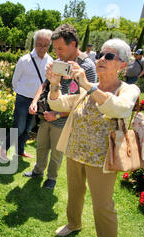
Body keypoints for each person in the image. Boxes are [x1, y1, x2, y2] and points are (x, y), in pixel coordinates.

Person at [47, 38, 140, 237]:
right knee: (75, 193)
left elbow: (117, 108)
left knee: (102, 206)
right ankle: (74, 223)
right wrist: (54, 84)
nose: (101, 59)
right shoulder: (90, 86)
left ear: (122, 65)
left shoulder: (128, 89)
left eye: (109, 57)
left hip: (102, 158)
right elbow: (58, 102)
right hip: (76, 152)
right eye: (101, 54)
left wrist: (88, 85)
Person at [24, 24, 97, 190]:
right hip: (47, 115)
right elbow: (45, 84)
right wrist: (35, 101)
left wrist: (58, 115)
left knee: (57, 152)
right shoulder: (59, 62)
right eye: (54, 49)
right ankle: (38, 171)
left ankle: (52, 178)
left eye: (60, 49)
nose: (56, 54)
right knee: (41, 147)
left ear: (73, 45)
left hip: (64, 120)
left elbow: (87, 103)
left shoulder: (86, 67)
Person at [0, 29, 53, 160]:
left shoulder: (50, 61)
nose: (42, 48)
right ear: (34, 44)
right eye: (39, 44)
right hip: (23, 98)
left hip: (38, 100)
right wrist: (22, 92)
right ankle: (3, 150)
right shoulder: (24, 60)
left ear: (49, 45)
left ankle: (20, 150)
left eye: (45, 45)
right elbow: (15, 81)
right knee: (18, 127)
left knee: (29, 127)